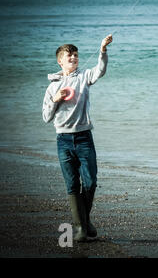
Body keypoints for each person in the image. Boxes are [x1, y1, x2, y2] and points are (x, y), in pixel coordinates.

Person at [42, 34, 113, 242]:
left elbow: (100, 70)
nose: (73, 58)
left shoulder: (84, 77)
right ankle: (82, 227)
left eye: (75, 55)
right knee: (72, 185)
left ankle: (84, 219)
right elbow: (46, 117)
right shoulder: (52, 86)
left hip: (84, 137)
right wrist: (56, 99)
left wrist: (102, 50)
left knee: (90, 182)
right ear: (60, 61)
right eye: (69, 55)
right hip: (63, 140)